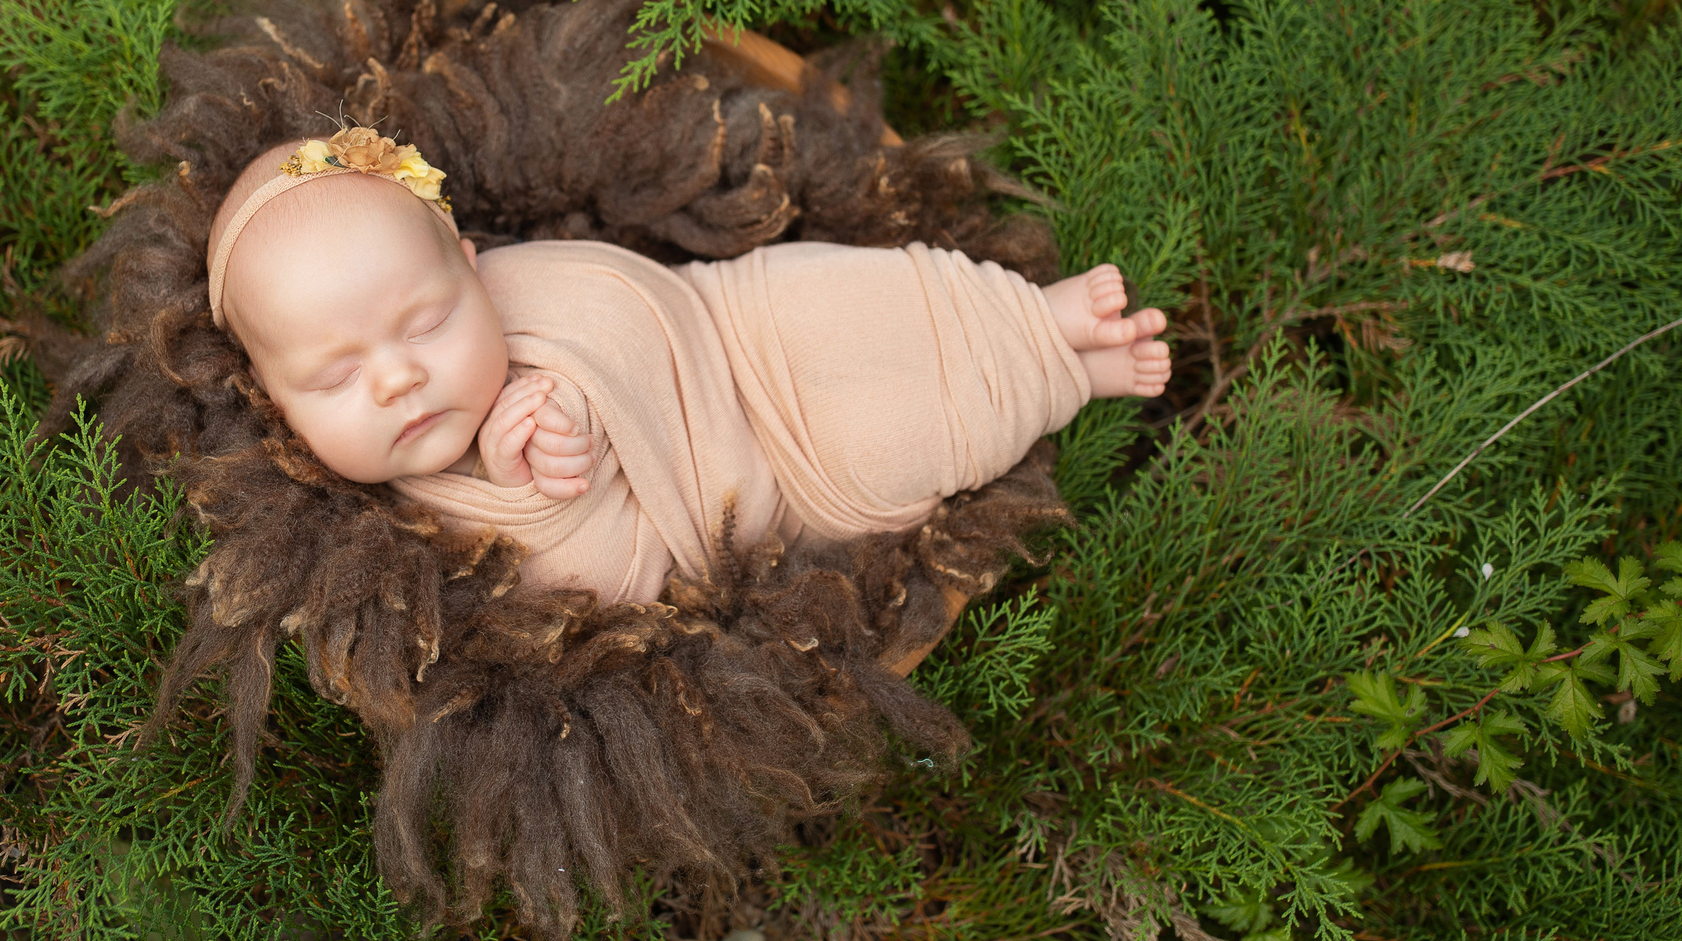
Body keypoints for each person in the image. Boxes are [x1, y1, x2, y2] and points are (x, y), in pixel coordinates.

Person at [206, 126, 1168, 607]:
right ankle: (1061, 378)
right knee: (894, 440)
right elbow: (610, 580)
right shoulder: (398, 538)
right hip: (767, 476)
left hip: (725, 327)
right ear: (275, 402)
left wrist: (595, 380)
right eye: (332, 380)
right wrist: (546, 481)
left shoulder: (517, 288)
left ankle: (1020, 313)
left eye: (426, 321)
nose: (395, 380)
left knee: (843, 295)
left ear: (470, 267)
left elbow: (629, 296)